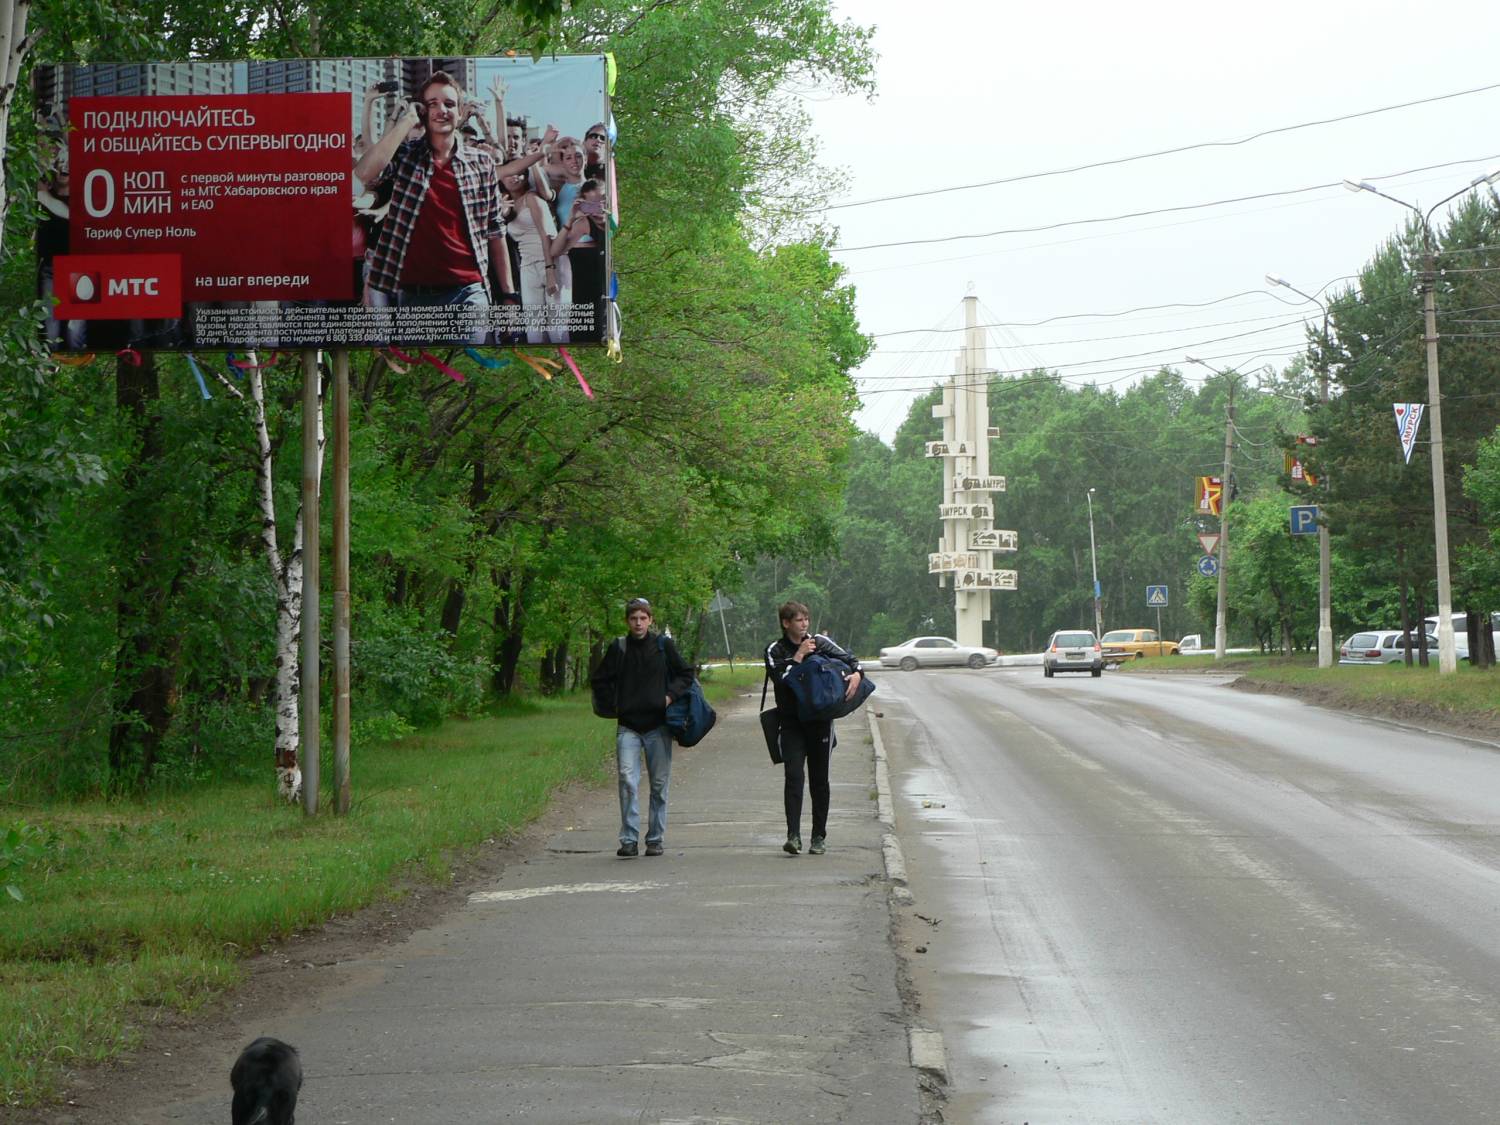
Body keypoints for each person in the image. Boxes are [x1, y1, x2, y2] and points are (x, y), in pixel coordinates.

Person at [354, 71, 521, 322]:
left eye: (449, 104)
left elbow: (495, 231)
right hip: (414, 295)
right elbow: (365, 174)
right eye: (432, 104)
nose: (441, 110)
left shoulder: (482, 162)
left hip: (469, 292)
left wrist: (509, 296)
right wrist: (407, 119)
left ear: (461, 110)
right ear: (423, 111)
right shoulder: (405, 155)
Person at [590, 598, 692, 858]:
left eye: (643, 618)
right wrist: (615, 705)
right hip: (628, 727)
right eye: (634, 618)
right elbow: (600, 680)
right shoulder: (619, 647)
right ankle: (629, 839)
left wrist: (668, 697)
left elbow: (685, 675)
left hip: (658, 727)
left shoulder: (663, 645)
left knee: (658, 784)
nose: (638, 623)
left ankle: (655, 839)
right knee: (627, 781)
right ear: (627, 621)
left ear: (650, 620)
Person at [764, 601, 862, 856]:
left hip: (820, 722)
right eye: (799, 620)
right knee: (794, 777)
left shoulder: (819, 642)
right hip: (791, 722)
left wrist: (857, 674)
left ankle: (818, 836)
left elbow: (851, 660)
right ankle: (793, 835)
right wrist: (797, 657)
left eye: (806, 619)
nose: (804, 624)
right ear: (786, 623)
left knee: (820, 780)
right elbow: (780, 679)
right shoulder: (775, 649)